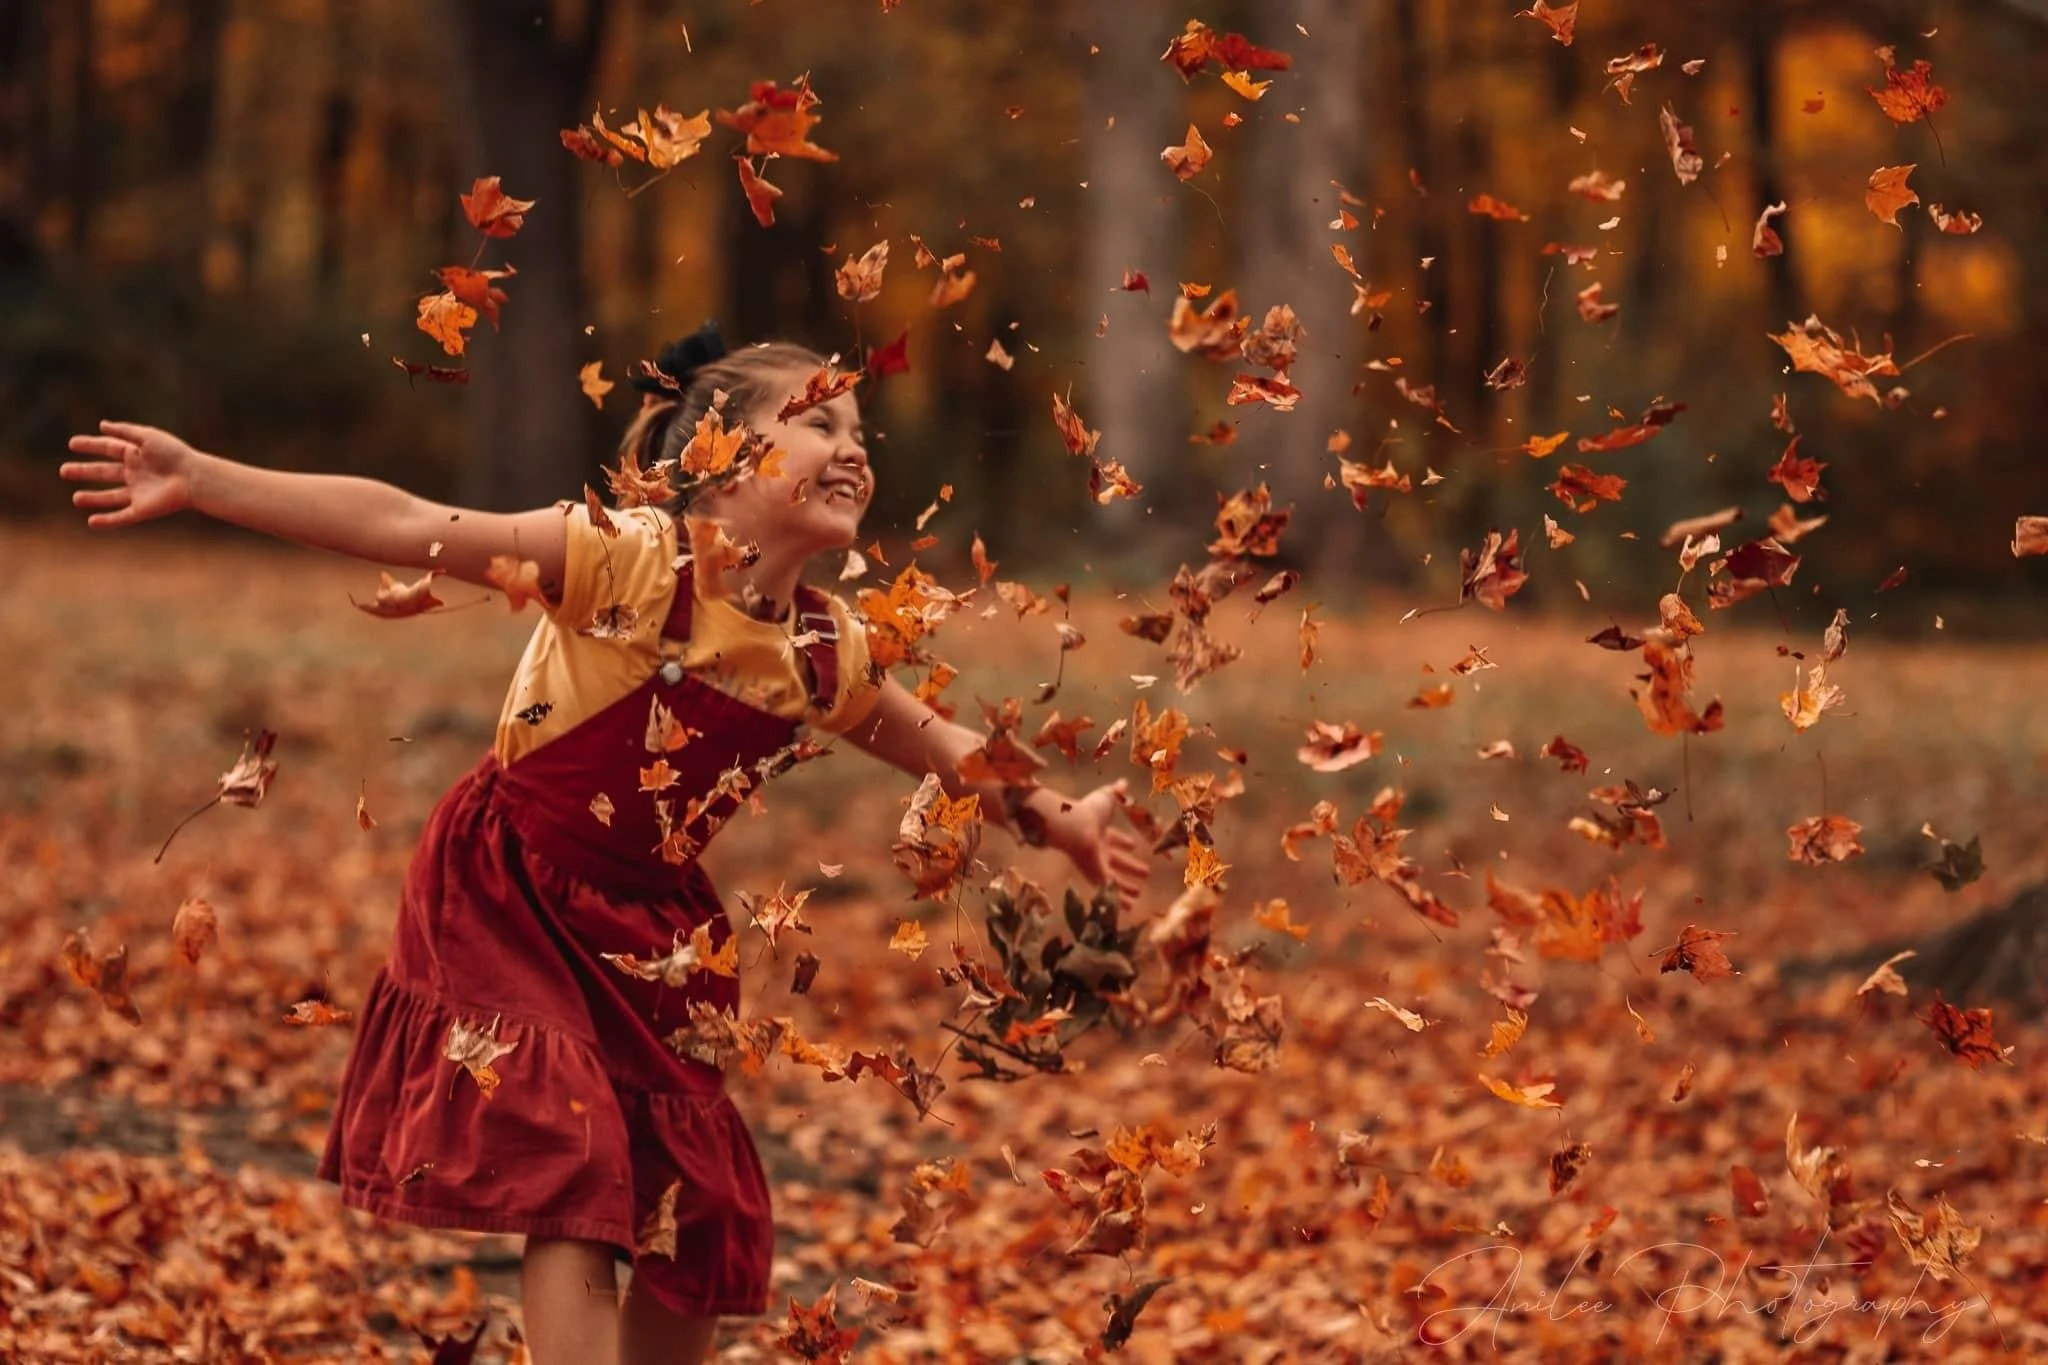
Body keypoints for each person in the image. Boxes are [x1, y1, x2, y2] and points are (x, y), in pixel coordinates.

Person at [59, 324, 1152, 1365]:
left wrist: (1057, 821)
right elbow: (406, 522)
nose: (852, 450)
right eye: (820, 424)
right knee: (572, 1157)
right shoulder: (630, 562)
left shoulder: (824, 649)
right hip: (510, 883)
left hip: (654, 926)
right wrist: (203, 479)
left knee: (698, 1203)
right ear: (723, 463)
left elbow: (945, 749)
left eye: (860, 434)